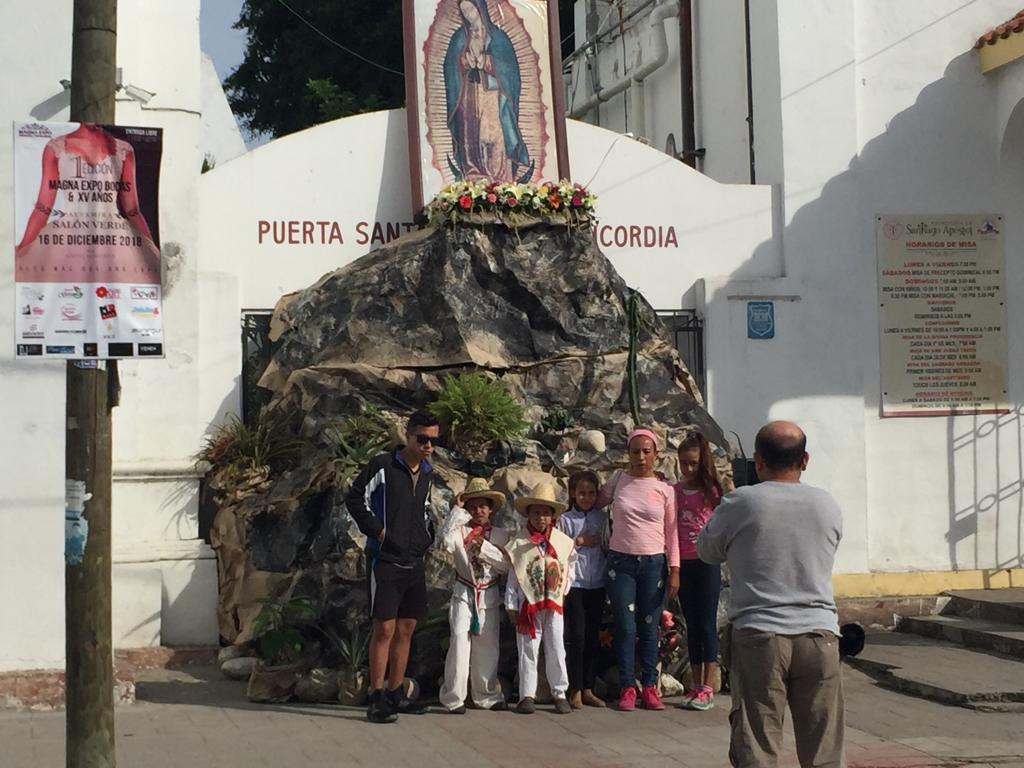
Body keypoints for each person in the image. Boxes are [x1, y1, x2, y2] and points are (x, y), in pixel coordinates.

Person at [697, 421, 844, 768]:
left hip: (761, 635)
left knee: (758, 744)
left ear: (758, 461)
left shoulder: (741, 501)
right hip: (820, 635)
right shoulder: (827, 504)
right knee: (824, 747)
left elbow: (706, 550)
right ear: (805, 460)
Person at [346, 410, 440, 724]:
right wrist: (379, 531)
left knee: (406, 628)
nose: (428, 446)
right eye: (422, 439)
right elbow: (355, 497)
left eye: (433, 441)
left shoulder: (427, 471)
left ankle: (396, 692)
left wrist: (429, 536)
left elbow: (425, 508)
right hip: (384, 559)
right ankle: (376, 696)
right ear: (409, 436)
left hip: (414, 560)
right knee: (383, 628)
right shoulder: (383, 465)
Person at [16, 123, 161, 283]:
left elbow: (132, 210)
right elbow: (132, 210)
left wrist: (151, 249)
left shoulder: (123, 149)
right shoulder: (57, 147)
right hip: (106, 236)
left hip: (83, 236)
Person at [598, 428, 680, 712]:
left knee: (649, 626)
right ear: (628, 453)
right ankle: (627, 687)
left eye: (647, 451)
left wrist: (675, 568)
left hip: (653, 563)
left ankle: (649, 686)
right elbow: (594, 504)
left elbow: (672, 532)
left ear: (656, 454)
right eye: (635, 451)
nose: (641, 457)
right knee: (624, 625)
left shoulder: (665, 490)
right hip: (621, 562)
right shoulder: (618, 480)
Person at [436, 477, 510, 713]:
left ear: (491, 509)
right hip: (464, 592)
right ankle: (453, 697)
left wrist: (483, 547)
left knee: (487, 646)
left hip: (488, 593)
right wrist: (456, 511)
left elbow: (505, 565)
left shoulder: (500, 535)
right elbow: (444, 541)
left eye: (483, 506)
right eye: (473, 506)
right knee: (458, 641)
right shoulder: (459, 531)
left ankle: (486, 695)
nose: (478, 511)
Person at [504, 480, 574, 715]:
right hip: (528, 604)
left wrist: (562, 589)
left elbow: (569, 567)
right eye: (536, 512)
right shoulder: (518, 543)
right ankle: (527, 694)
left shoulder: (562, 542)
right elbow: (515, 577)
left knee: (556, 646)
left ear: (552, 516)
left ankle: (559, 692)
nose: (540, 518)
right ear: (528, 514)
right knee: (527, 648)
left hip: (553, 605)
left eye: (545, 513)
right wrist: (511, 604)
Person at [674, 431, 732, 711]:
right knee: (692, 623)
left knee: (707, 623)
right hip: (683, 563)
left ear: (702, 462)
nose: (688, 469)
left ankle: (708, 686)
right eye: (683, 463)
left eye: (693, 463)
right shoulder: (675, 492)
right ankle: (695, 685)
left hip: (707, 562)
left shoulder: (713, 493)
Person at [443, 0, 532, 182]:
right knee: (470, 132)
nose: (468, 13)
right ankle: (473, 172)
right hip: (468, 93)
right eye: (464, 10)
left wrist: (487, 62)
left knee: (493, 134)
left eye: (470, 8)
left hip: (492, 94)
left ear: (480, 7)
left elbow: (510, 69)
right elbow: (449, 66)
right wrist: (464, 61)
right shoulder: (459, 38)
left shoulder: (497, 37)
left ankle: (499, 176)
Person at [556, 469, 608, 709]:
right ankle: (574, 687)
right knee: (576, 637)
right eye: (581, 493)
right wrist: (579, 542)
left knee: (592, 636)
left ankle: (588, 687)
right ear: (573, 494)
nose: (586, 497)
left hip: (597, 583)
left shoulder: (601, 517)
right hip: (574, 585)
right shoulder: (566, 520)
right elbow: (559, 551)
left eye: (591, 493)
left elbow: (607, 544)